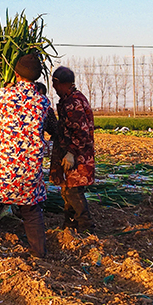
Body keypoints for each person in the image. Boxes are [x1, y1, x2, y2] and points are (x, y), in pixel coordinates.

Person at [0, 52, 50, 259]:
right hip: (31, 171)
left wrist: (6, 90)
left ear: (16, 73)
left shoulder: (2, 95)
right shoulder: (43, 102)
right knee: (31, 211)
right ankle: (39, 253)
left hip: (4, 170)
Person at [50, 66, 96, 233]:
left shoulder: (73, 103)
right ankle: (70, 226)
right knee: (67, 190)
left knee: (73, 191)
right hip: (76, 154)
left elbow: (81, 131)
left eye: (54, 85)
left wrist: (71, 153)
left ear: (58, 83)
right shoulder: (72, 99)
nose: (54, 89)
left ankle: (86, 227)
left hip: (78, 156)